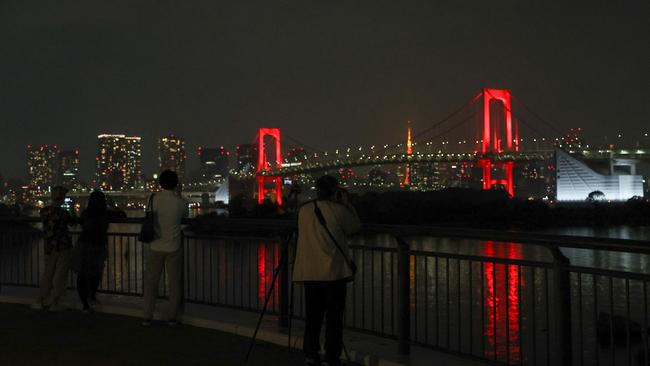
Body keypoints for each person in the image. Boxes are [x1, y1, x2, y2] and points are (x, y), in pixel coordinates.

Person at [292, 175, 361, 366]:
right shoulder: (338, 210)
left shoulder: (304, 211)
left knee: (313, 318)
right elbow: (355, 227)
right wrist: (348, 204)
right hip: (333, 274)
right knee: (333, 320)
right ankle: (332, 358)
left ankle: (310, 355)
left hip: (310, 273)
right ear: (333, 191)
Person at [142, 170, 188, 326]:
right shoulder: (180, 202)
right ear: (175, 184)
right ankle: (172, 317)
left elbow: (147, 215)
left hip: (155, 245)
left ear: (160, 183)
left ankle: (147, 316)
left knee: (151, 282)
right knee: (174, 284)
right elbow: (185, 215)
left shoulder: (152, 199)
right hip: (173, 246)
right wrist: (179, 194)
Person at [72, 190, 125, 312]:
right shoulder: (105, 213)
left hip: (83, 244)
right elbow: (123, 215)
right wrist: (112, 205)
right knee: (95, 273)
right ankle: (92, 296)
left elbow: (81, 224)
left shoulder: (85, 213)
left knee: (82, 274)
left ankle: (85, 304)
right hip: (98, 246)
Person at [31, 186, 75, 311]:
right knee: (60, 274)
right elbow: (73, 222)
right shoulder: (63, 213)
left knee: (48, 273)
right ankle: (55, 302)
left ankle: (41, 299)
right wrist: (72, 208)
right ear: (62, 198)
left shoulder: (44, 211)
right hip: (63, 245)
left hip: (49, 246)